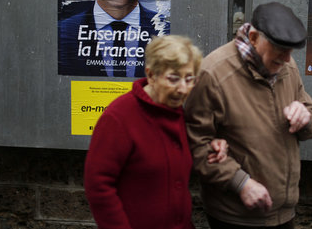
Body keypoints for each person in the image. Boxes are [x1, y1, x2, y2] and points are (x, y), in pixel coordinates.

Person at [185, 2, 312, 228]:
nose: (287, 60)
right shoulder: (214, 74)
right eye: (279, 52)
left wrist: (306, 119)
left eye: (290, 52)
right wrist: (241, 183)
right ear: (253, 37)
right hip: (237, 215)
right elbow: (197, 145)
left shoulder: (287, 65)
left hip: (284, 212)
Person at [84, 35, 228, 229]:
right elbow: (98, 185)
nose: (183, 89)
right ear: (151, 75)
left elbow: (174, 156)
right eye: (173, 79)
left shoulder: (175, 110)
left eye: (189, 79)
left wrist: (211, 146)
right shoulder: (119, 117)